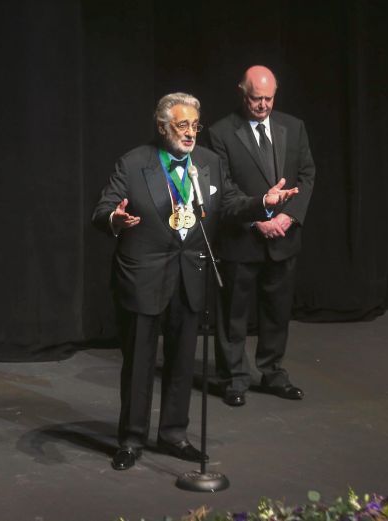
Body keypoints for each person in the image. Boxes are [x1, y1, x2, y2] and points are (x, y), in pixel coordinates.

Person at [92, 93, 297, 471]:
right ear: (162, 127)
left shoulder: (209, 163)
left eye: (194, 126)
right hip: (145, 277)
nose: (190, 134)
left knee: (183, 362)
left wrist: (264, 203)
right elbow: (104, 209)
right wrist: (114, 221)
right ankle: (132, 439)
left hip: (191, 275)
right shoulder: (134, 163)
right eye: (182, 125)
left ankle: (173, 434)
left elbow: (232, 205)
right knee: (139, 364)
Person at [207, 65, 316, 407]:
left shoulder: (293, 127)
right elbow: (223, 188)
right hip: (242, 239)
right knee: (233, 316)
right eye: (256, 98)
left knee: (277, 312)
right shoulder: (221, 132)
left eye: (269, 98)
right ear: (243, 93)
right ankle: (234, 378)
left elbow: (307, 174)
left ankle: (273, 373)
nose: (263, 105)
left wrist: (287, 217)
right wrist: (257, 220)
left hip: (283, 238)